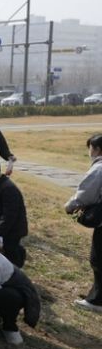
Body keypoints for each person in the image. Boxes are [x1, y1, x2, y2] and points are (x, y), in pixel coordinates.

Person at [64, 134, 102, 313]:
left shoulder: (99, 168)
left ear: (97, 150)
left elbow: (85, 194)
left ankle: (96, 301)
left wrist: (69, 206)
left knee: (98, 259)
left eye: (90, 148)